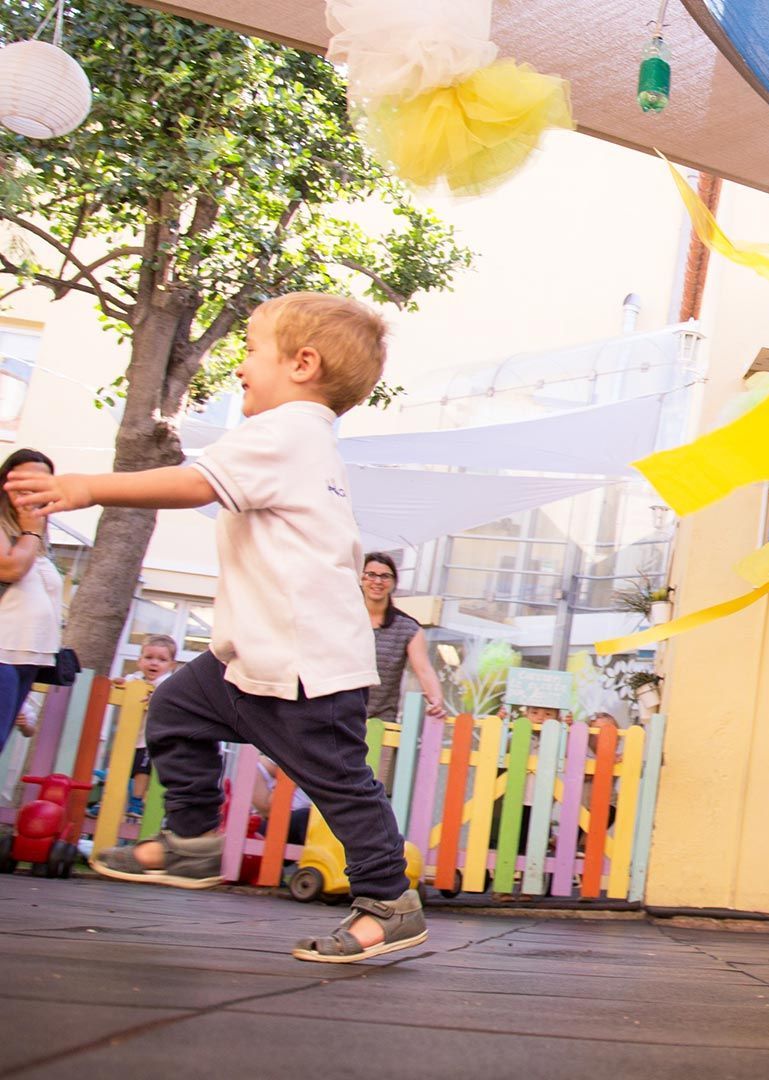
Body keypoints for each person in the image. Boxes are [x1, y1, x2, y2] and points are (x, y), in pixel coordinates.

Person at [9, 292, 425, 964]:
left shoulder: (285, 430)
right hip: (252, 657)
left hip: (300, 664)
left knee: (340, 784)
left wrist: (88, 487)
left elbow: (194, 485)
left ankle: (388, 902)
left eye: (251, 352)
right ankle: (197, 837)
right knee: (174, 706)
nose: (238, 369)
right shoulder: (305, 439)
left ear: (302, 364)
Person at [0, 448, 61, 758]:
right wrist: (30, 529)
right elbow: (9, 568)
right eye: (22, 482)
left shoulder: (38, 537)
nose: (32, 490)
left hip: (25, 656)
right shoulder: (16, 528)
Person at [361, 551, 446, 725]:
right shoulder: (343, 619)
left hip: (381, 722)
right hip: (338, 717)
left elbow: (424, 669)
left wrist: (436, 699)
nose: (377, 581)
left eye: (385, 576)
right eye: (370, 575)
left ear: (394, 583)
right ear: (360, 579)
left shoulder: (408, 628)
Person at [124, 635, 178, 814]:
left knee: (142, 770)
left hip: (150, 738)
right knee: (123, 768)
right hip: (129, 736)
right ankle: (111, 799)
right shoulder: (135, 680)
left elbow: (168, 698)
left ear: (171, 665)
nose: (154, 663)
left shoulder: (167, 685)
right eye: (149, 658)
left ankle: (136, 801)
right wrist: (120, 684)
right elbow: (125, 684)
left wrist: (155, 698)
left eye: (162, 660)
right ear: (139, 661)